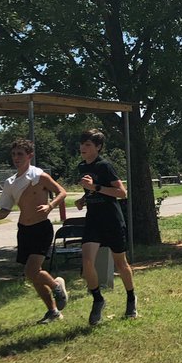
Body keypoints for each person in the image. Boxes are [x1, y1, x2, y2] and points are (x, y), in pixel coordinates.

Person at [0, 138, 69, 324]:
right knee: (33, 275)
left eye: (20, 154)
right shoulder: (10, 182)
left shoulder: (38, 176)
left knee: (31, 270)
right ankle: (53, 311)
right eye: (14, 154)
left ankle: (56, 285)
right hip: (24, 230)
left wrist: (50, 206)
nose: (16, 158)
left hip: (41, 228)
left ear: (29, 156)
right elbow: (5, 209)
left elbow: (62, 192)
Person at [75, 129, 137, 325]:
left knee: (121, 263)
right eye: (82, 144)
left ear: (98, 147)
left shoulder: (105, 166)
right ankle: (98, 299)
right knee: (87, 263)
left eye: (88, 145)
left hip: (112, 220)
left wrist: (95, 188)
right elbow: (94, 193)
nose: (83, 148)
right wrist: (84, 198)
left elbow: (121, 193)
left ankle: (131, 298)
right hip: (93, 220)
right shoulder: (81, 167)